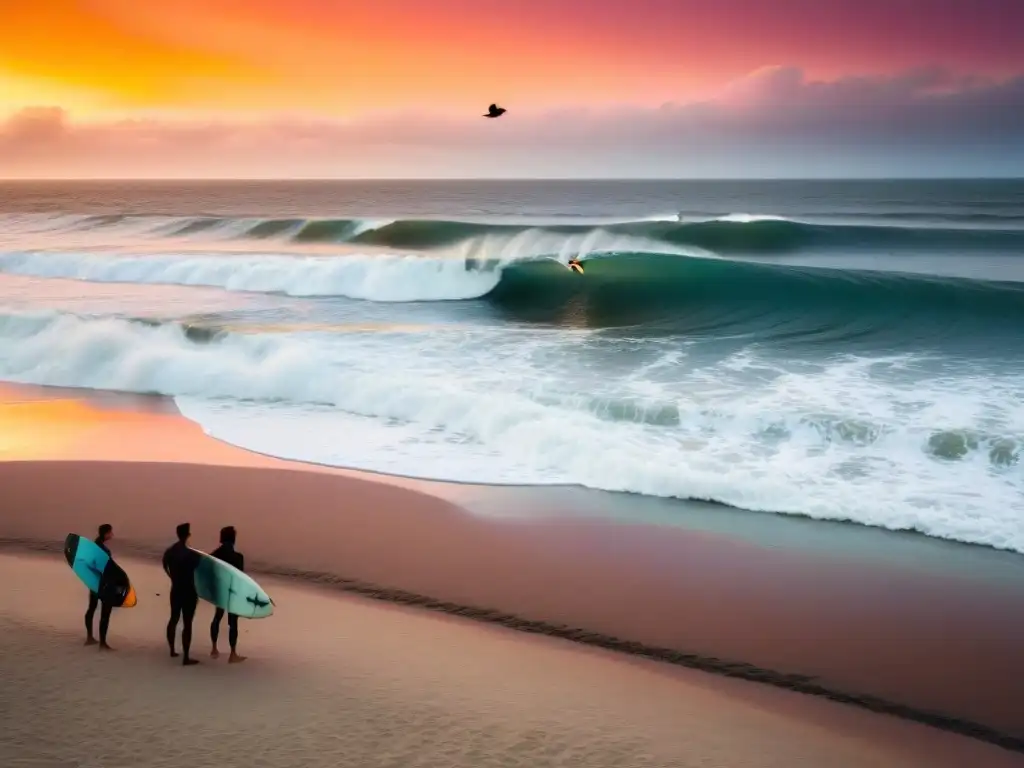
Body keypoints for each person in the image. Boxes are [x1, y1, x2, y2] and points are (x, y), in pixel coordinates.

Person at [162, 522, 202, 666]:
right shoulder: (192, 554)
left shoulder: (169, 551)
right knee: (187, 623)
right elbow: (201, 571)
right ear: (188, 535)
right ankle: (186, 657)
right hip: (189, 591)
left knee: (173, 618)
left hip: (176, 589)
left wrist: (172, 577)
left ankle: (172, 650)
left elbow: (164, 566)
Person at [210, 526, 247, 663]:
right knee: (233, 623)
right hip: (233, 593)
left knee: (217, 618)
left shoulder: (214, 555)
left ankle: (214, 649)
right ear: (233, 539)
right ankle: (232, 654)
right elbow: (241, 578)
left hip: (220, 591)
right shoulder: (238, 557)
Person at [84, 523, 115, 650]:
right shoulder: (102, 549)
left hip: (94, 582)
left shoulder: (93, 546)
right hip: (103, 583)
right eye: (110, 532)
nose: (112, 535)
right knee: (105, 612)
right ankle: (103, 643)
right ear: (106, 533)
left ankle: (89, 637)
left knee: (91, 608)